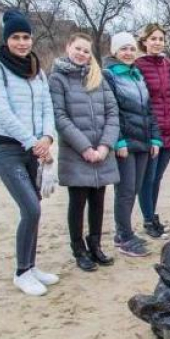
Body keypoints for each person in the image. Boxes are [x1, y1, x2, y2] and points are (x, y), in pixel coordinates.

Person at [0, 9, 58, 296]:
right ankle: (21, 273)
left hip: (35, 149)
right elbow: (2, 111)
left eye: (26, 37)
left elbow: (46, 108)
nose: (22, 42)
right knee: (30, 208)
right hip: (9, 149)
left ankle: (31, 266)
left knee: (35, 211)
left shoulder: (36, 70)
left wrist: (47, 137)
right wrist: (31, 141)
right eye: (15, 37)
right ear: (6, 40)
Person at [50, 33, 120, 272]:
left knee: (98, 201)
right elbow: (60, 117)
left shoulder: (97, 77)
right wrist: (85, 148)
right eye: (78, 49)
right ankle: (79, 249)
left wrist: (104, 146)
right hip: (76, 152)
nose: (82, 54)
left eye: (86, 51)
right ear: (68, 47)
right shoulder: (58, 79)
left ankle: (96, 245)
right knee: (78, 202)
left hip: (101, 151)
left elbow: (112, 113)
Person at [103, 32, 162, 257]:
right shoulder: (109, 76)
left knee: (135, 188)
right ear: (114, 52)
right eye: (123, 49)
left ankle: (125, 231)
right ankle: (123, 235)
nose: (128, 53)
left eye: (131, 49)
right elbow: (111, 111)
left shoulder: (137, 75)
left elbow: (148, 109)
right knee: (125, 190)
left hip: (144, 141)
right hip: (125, 142)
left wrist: (155, 137)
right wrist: (118, 140)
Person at [135, 23, 170, 239]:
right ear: (144, 42)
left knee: (157, 177)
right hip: (150, 130)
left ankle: (153, 215)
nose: (157, 43)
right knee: (147, 178)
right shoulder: (138, 65)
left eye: (160, 39)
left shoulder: (169, 65)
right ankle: (148, 219)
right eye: (153, 39)